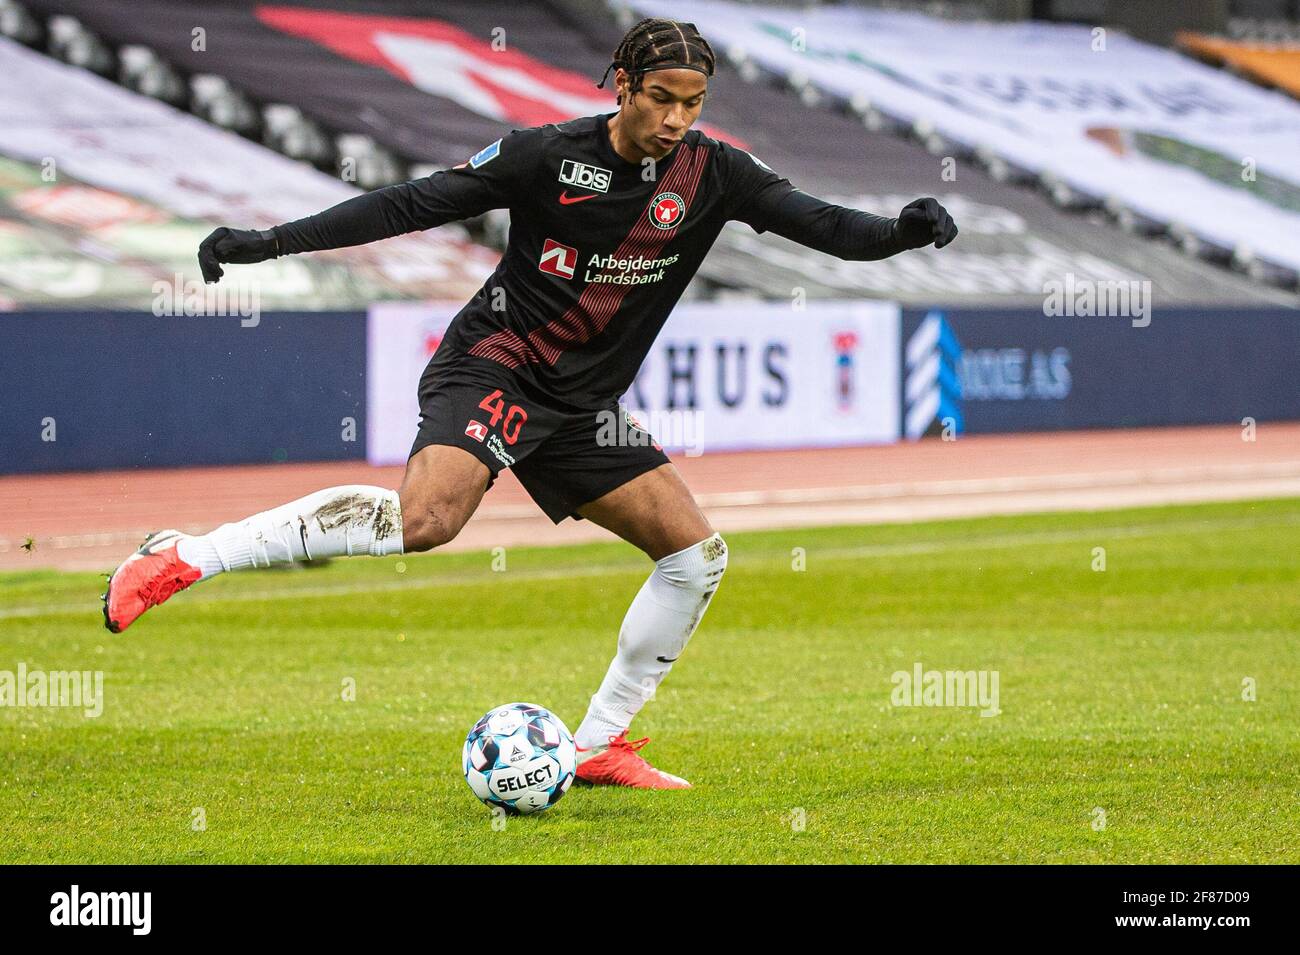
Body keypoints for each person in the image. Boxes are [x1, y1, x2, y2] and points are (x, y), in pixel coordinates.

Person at [103, 16, 958, 789]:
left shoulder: (714, 172)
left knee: (696, 558)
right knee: (429, 520)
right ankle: (188, 553)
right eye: (662, 99)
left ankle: (598, 743)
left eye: (692, 104)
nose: (675, 120)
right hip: (497, 364)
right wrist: (272, 242)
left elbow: (827, 226)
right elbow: (411, 202)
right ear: (622, 85)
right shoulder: (546, 156)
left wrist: (900, 233)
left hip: (583, 404)